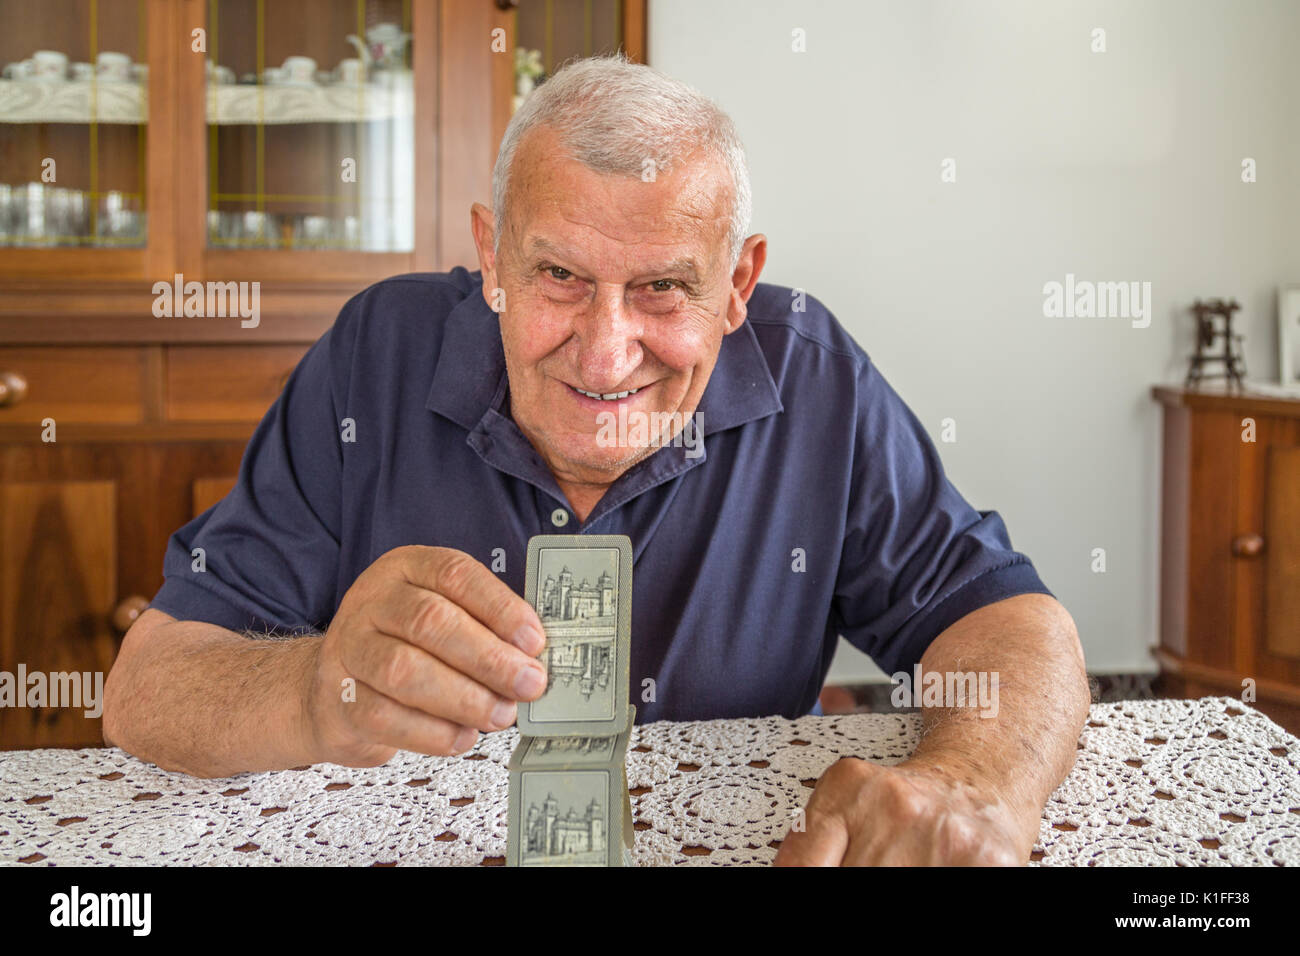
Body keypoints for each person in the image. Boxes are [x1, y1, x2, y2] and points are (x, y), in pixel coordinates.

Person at [104, 54, 1089, 865]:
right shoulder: (377, 352)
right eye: (560, 276)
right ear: (491, 258)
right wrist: (315, 687)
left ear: (739, 280)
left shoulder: (812, 370)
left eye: (663, 286)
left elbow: (1007, 622)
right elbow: (147, 685)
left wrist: (969, 784)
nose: (607, 351)